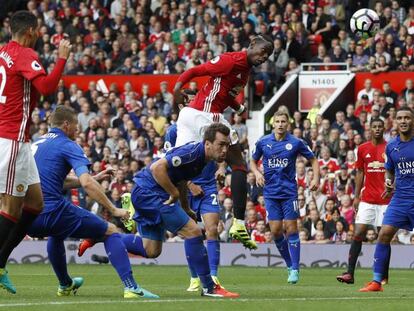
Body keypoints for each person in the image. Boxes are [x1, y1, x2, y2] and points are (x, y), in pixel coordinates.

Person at [27, 106, 158, 299]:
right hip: (52, 209)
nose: (78, 130)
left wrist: (93, 175)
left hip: (28, 216)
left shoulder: (37, 143)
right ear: (66, 125)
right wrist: (114, 209)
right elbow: (87, 183)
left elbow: (59, 181)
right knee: (111, 230)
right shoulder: (68, 144)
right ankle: (131, 288)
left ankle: (65, 285)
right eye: (76, 126)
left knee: (57, 233)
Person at [173, 35, 274, 250]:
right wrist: (177, 87)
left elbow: (222, 92)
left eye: (267, 55)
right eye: (262, 51)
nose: (264, 57)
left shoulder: (244, 70)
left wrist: (238, 108)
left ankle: (142, 205)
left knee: (173, 166)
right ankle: (238, 222)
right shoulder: (232, 60)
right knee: (238, 164)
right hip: (206, 116)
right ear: (251, 46)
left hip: (189, 116)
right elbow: (195, 71)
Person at [0, 11, 71, 294]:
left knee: (35, 203)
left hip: (20, 140)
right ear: (30, 30)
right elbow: (47, 87)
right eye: (38, 30)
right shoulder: (24, 54)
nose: (40, 34)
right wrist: (62, 57)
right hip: (12, 138)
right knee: (9, 208)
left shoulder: (4, 52)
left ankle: (1, 261)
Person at [131, 123, 239, 298]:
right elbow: (157, 168)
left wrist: (185, 207)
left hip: (146, 191)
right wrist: (172, 193)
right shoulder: (192, 154)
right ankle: (209, 287)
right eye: (221, 144)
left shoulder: (203, 160)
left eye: (227, 145)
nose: (225, 150)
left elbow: (181, 180)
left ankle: (108, 237)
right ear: (207, 143)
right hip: (150, 192)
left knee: (151, 250)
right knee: (194, 231)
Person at [250, 111, 320, 284]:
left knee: (292, 228)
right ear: (273, 123)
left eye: (283, 121)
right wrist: (257, 173)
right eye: (277, 121)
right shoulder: (263, 142)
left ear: (288, 124)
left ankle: (295, 268)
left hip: (289, 192)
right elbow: (252, 161)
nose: (280, 124)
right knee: (275, 231)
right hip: (270, 193)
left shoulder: (295, 142)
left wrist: (316, 178)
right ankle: (289, 265)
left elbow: (314, 160)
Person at [164, 93, 224, 292]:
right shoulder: (173, 131)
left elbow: (223, 150)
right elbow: (171, 163)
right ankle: (194, 278)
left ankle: (213, 276)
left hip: (207, 185)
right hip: (185, 185)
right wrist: (189, 184)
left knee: (212, 228)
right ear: (183, 106)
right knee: (191, 232)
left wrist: (222, 168)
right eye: (192, 101)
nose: (198, 104)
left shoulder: (210, 126)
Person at [360, 107, 414, 292]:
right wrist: (389, 182)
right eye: (400, 118)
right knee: (383, 235)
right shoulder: (391, 146)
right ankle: (376, 282)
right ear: (396, 122)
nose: (404, 121)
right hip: (399, 199)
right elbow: (390, 168)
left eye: (407, 117)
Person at [337, 118, 391, 284]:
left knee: (384, 236)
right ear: (369, 129)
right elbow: (360, 172)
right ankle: (350, 273)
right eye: (374, 126)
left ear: (384, 128)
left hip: (386, 200)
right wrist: (357, 196)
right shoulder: (362, 148)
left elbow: (394, 171)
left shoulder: (390, 147)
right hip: (367, 198)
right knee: (358, 232)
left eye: (379, 127)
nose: (377, 129)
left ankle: (383, 275)